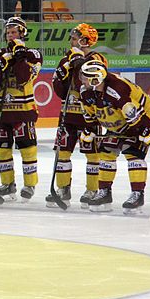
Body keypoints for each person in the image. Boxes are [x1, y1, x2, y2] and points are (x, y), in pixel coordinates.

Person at [79, 59, 150, 213]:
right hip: (116, 122)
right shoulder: (86, 91)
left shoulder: (117, 89)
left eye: (85, 76)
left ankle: (137, 194)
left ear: (96, 79)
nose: (81, 79)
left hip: (139, 119)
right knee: (106, 152)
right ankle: (105, 193)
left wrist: (146, 131)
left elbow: (134, 113)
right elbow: (90, 112)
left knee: (133, 153)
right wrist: (90, 129)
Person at [47, 24, 107, 208]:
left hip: (89, 115)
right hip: (68, 115)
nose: (71, 42)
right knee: (62, 153)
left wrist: (77, 61)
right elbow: (60, 90)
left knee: (92, 154)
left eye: (75, 38)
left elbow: (94, 79)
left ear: (85, 40)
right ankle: (63, 189)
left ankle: (92, 189)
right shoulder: (67, 58)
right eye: (72, 38)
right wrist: (62, 73)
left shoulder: (97, 58)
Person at [0, 16, 43, 201]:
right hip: (0, 111)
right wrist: (2, 65)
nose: (10, 35)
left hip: (23, 110)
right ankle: (8, 184)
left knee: (27, 148)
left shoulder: (33, 54)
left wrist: (18, 58)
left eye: (14, 32)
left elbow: (24, 77)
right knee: (2, 149)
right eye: (8, 32)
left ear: (23, 33)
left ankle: (30, 184)